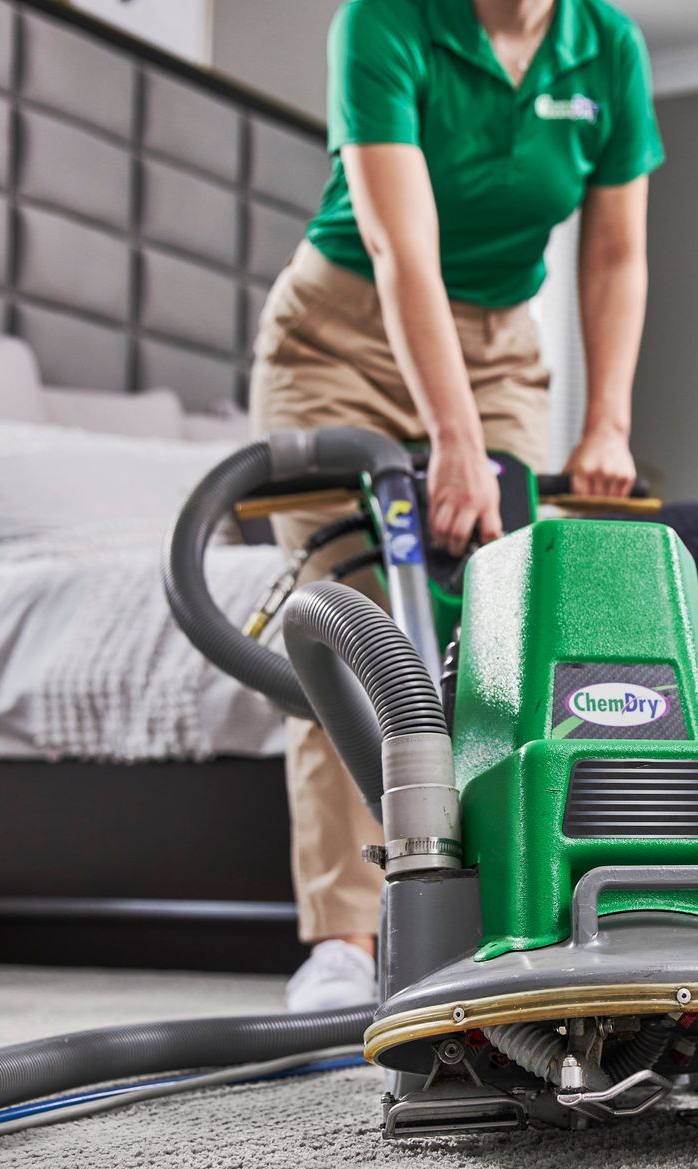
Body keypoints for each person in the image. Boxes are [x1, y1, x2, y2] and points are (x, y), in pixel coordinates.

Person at [249, 0, 662, 1010]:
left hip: (499, 346)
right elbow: (401, 248)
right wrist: (456, 443)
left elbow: (614, 254)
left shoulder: (605, 44)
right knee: (351, 614)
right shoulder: (383, 23)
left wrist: (605, 422)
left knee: (508, 630)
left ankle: (519, 908)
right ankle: (347, 942)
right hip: (341, 337)